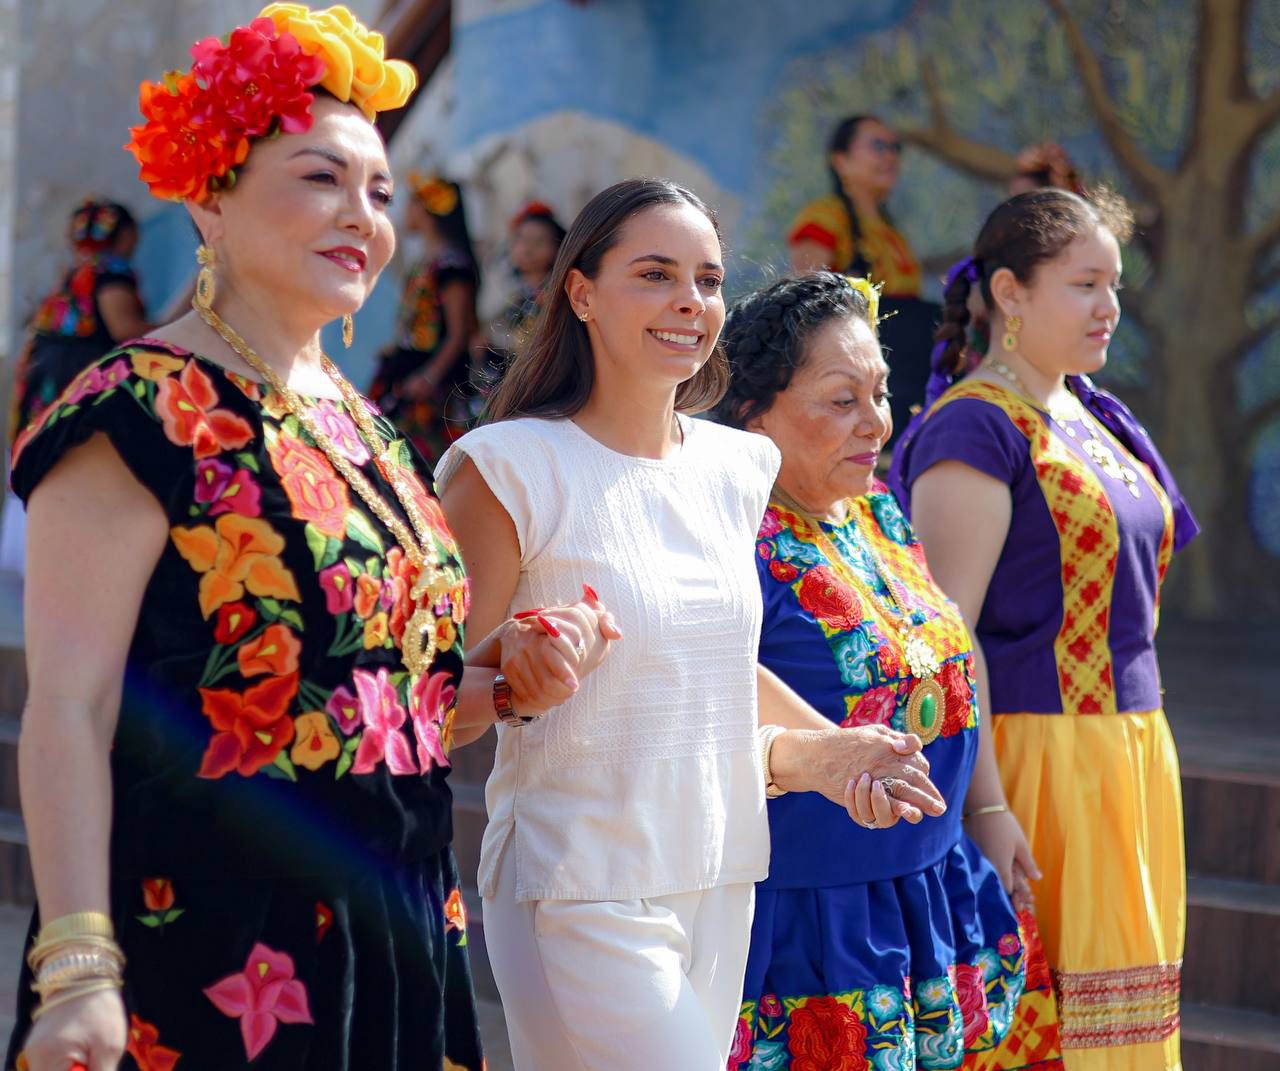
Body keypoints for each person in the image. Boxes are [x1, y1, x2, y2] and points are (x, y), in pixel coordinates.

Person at [7, 7, 616, 1070]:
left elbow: (394, 705)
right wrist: (77, 967)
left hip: (395, 939)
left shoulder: (365, 426)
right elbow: (68, 707)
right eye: (320, 178)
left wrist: (510, 681)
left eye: (380, 191)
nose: (363, 216)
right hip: (212, 948)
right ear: (208, 195)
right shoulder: (133, 411)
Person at [435, 178, 947, 1071]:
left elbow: (713, 669)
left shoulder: (739, 466)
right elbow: (435, 705)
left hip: (721, 871)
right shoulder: (507, 467)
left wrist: (832, 752)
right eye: (656, 274)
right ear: (581, 294)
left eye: (708, 280)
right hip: (578, 879)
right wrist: (515, 674)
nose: (690, 302)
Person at [714, 271, 1061, 1071]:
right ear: (750, 412)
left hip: (930, 898)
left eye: (881, 391)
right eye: (842, 400)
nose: (878, 421)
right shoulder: (733, 544)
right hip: (813, 933)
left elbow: (949, 652)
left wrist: (989, 807)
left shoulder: (876, 509)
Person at [896, 189, 1199, 1070]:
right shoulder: (973, 429)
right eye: (1085, 283)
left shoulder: (1100, 418)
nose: (1110, 306)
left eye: (1114, 285)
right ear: (1010, 292)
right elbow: (950, 639)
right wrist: (984, 804)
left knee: (1126, 1033)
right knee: (1048, 1035)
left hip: (1130, 758)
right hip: (1036, 763)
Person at [788, 114, 939, 443]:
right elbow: (809, 298)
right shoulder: (825, 215)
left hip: (900, 373)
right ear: (840, 160)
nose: (891, 157)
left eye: (895, 148)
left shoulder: (891, 232)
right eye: (878, 146)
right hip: (855, 373)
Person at [9, 199, 150, 445]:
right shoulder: (111, 270)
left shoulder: (74, 272)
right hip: (77, 376)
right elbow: (124, 329)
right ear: (126, 234)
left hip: (42, 375)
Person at [369, 174, 480, 465]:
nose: (404, 211)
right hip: (408, 372)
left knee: (421, 459)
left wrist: (429, 376)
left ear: (427, 209)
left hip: (431, 381)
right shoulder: (425, 262)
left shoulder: (452, 265)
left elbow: (459, 333)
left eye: (411, 204)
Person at [469, 201, 567, 414]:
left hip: (534, 385)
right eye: (521, 239)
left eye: (539, 241)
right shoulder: (512, 289)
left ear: (557, 247)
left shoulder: (556, 295)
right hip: (500, 381)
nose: (528, 248)